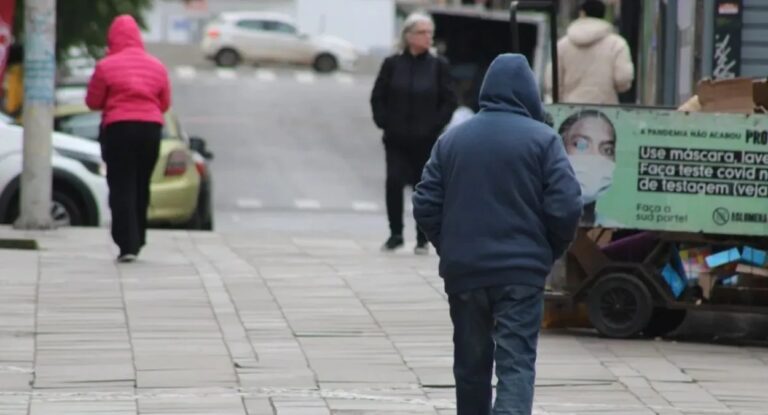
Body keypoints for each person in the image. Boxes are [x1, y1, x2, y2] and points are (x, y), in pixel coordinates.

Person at [413, 54, 582, 414]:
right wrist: (547, 250)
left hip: (466, 272)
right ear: (529, 93)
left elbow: (425, 202)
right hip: (521, 272)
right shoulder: (543, 140)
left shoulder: (452, 140)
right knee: (516, 363)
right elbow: (567, 206)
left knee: (470, 366)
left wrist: (451, 246)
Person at [86, 14, 171, 263]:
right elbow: (165, 103)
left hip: (118, 129)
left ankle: (127, 243)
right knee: (141, 183)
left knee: (121, 184)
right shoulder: (157, 66)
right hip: (150, 130)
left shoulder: (106, 66)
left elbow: (93, 101)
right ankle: (139, 237)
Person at [370, 13, 457, 255]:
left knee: (423, 187)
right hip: (396, 138)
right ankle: (395, 233)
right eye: (422, 32)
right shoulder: (392, 64)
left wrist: (435, 125)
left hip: (425, 140)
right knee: (394, 182)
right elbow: (378, 96)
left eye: (430, 32)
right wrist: (384, 121)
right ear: (408, 36)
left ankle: (422, 237)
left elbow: (449, 100)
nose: (428, 37)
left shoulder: (438, 65)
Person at [544, 0, 634, 104]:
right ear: (603, 15)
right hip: (607, 109)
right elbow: (623, 79)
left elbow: (552, 82)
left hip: (570, 109)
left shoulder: (562, 45)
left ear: (582, 13)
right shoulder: (617, 44)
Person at [558, 109, 618, 227]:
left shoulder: (614, 228)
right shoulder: (534, 227)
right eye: (581, 144)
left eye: (607, 150)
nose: (596, 156)